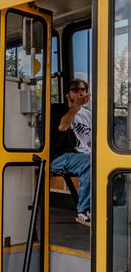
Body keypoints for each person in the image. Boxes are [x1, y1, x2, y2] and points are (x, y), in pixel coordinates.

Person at [50, 78, 92, 226]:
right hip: (61, 156)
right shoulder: (57, 109)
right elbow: (62, 127)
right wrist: (75, 107)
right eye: (76, 90)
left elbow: (91, 140)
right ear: (68, 94)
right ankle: (84, 211)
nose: (80, 93)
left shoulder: (88, 115)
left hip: (83, 155)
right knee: (90, 163)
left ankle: (117, 206)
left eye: (83, 90)